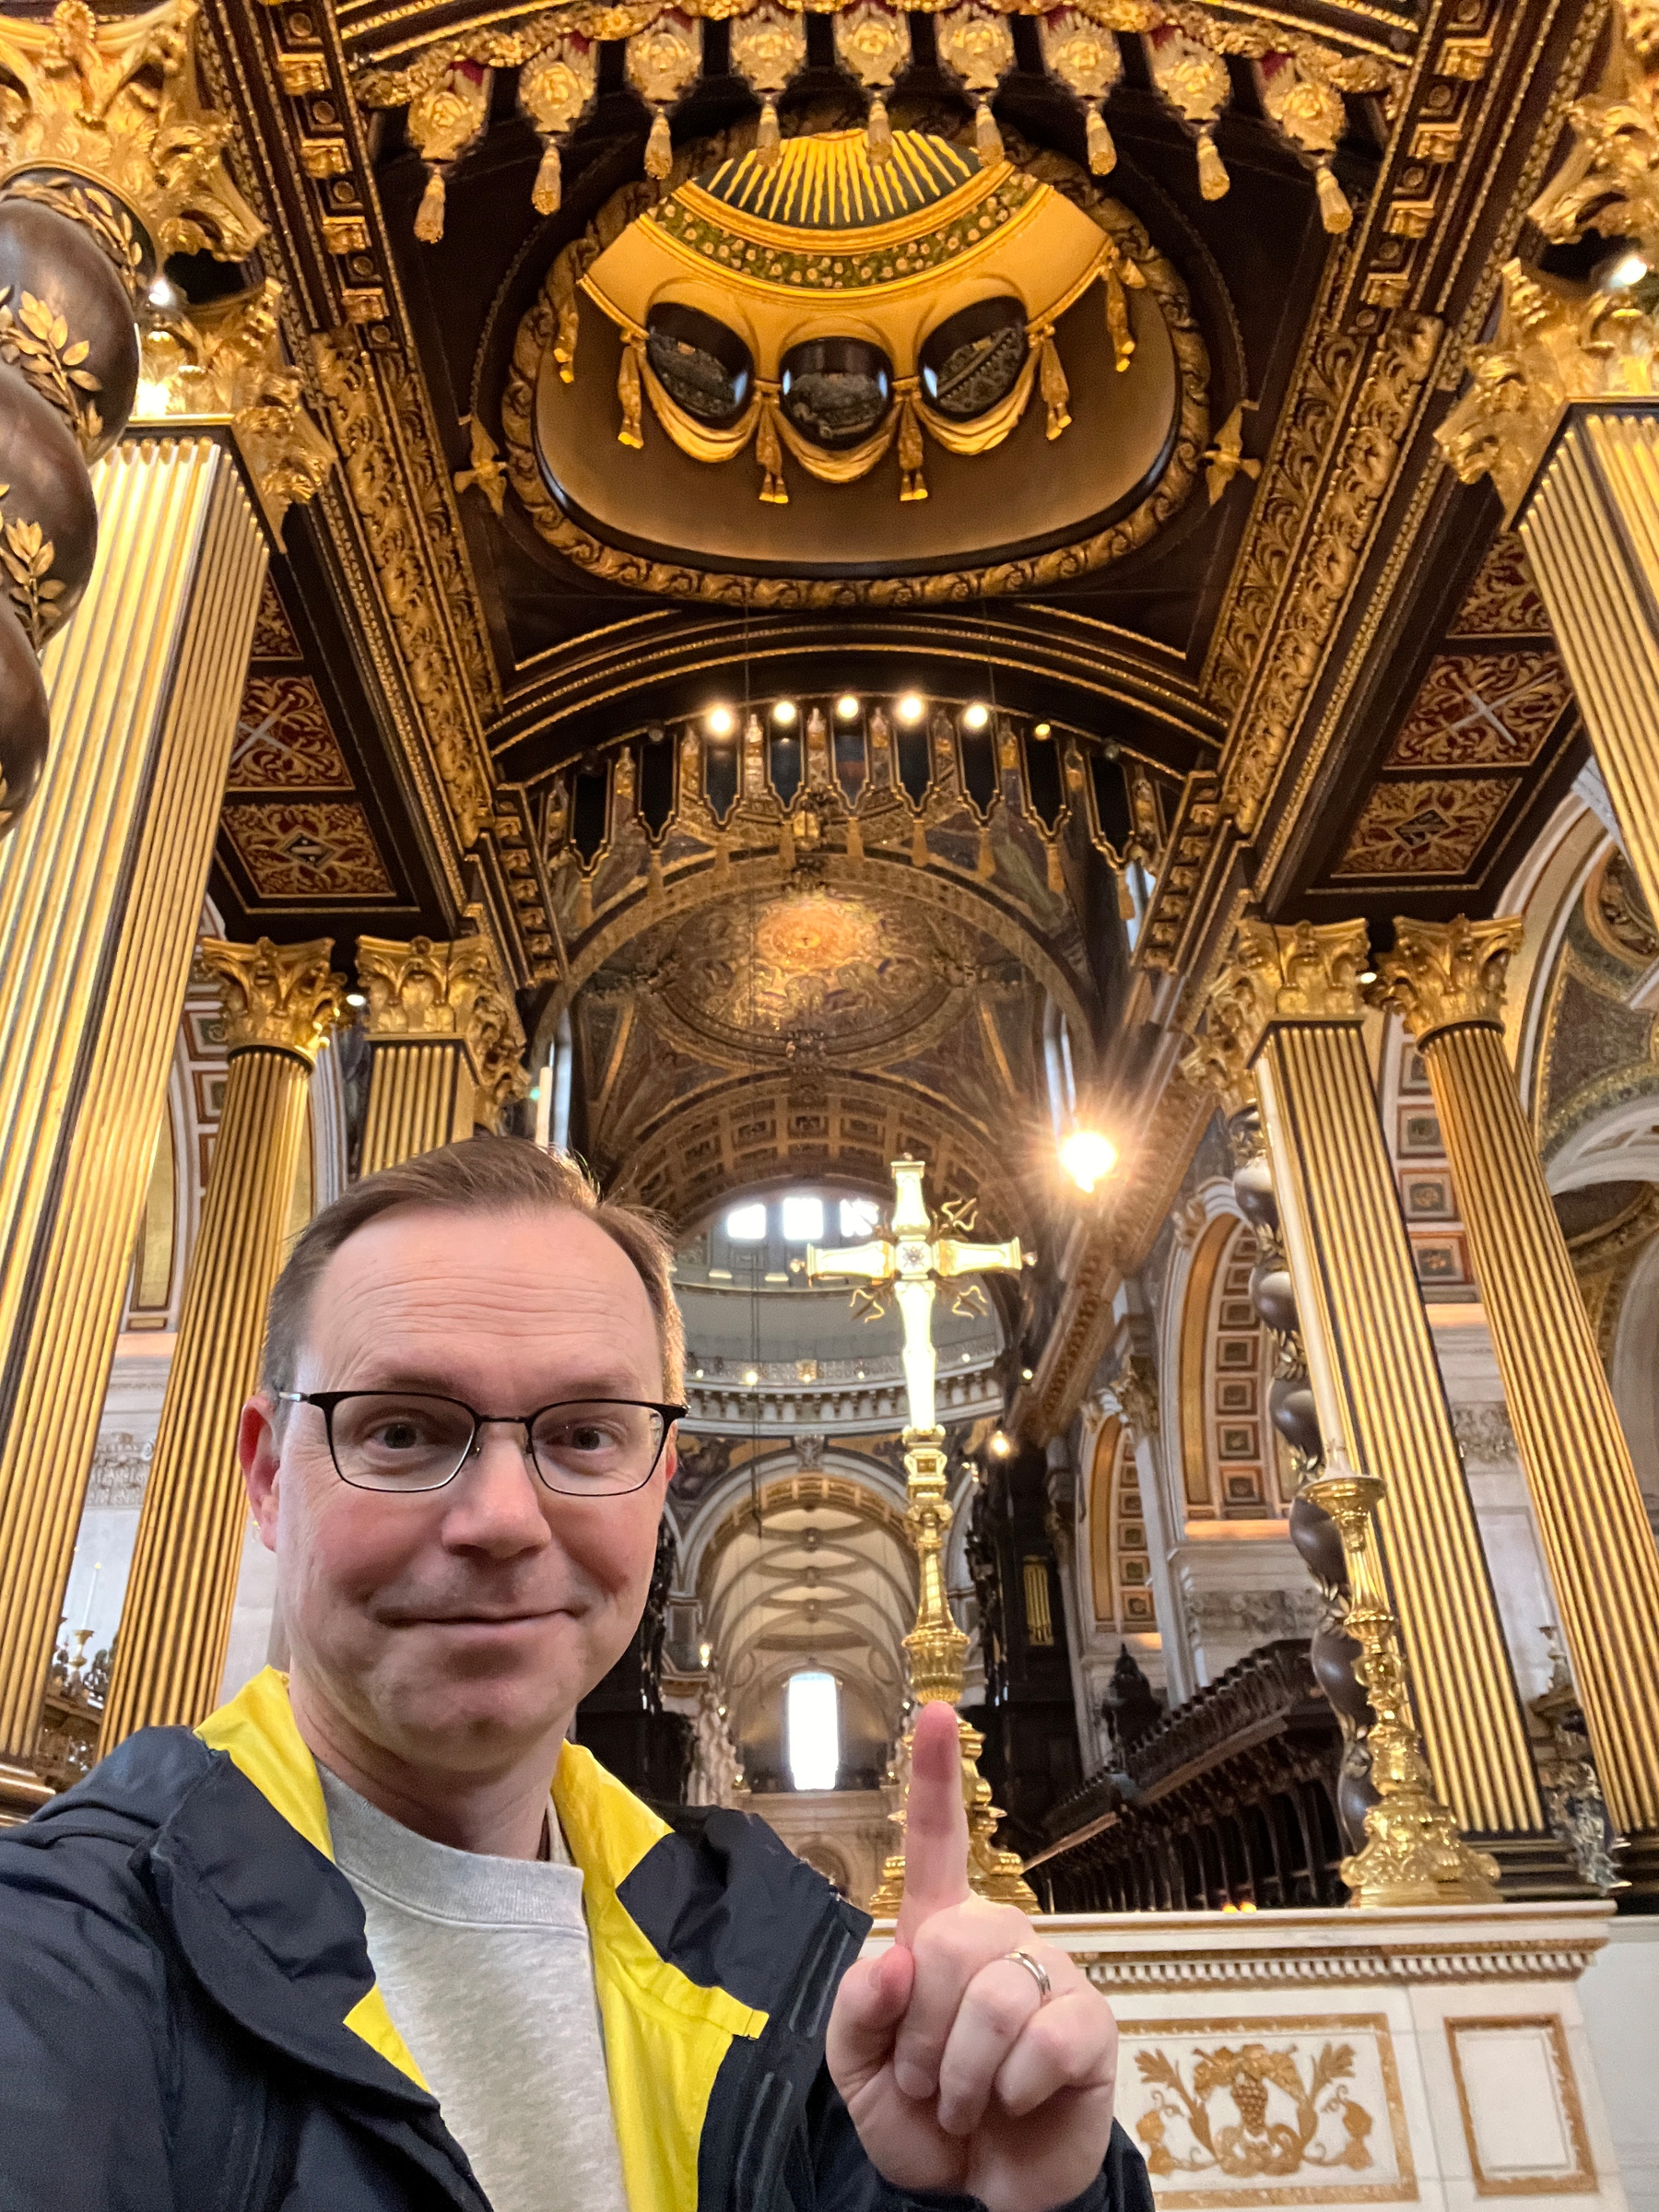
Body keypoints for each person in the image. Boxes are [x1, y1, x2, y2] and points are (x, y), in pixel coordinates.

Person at [0, 1137, 1151, 2212]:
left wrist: (1011, 2199)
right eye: (402, 1430)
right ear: (265, 1477)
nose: (503, 1519)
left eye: (585, 1435)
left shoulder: (780, 1961)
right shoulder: (57, 1956)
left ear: (662, 1481)